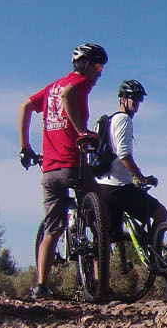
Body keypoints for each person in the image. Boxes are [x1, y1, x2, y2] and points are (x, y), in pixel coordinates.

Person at [18, 43, 108, 299]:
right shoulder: (80, 83)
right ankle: (102, 285)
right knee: (99, 216)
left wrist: (25, 146)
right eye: (99, 66)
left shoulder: (51, 87)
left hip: (49, 168)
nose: (100, 74)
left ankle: (41, 285)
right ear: (87, 65)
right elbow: (68, 95)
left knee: (52, 230)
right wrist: (83, 132)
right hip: (73, 163)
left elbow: (25, 106)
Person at [95, 79, 167, 244]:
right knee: (161, 214)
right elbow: (124, 155)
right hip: (120, 187)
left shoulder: (109, 121)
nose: (136, 102)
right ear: (122, 99)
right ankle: (157, 260)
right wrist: (141, 178)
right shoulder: (124, 120)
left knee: (108, 238)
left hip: (103, 186)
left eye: (139, 99)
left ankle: (99, 271)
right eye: (133, 98)